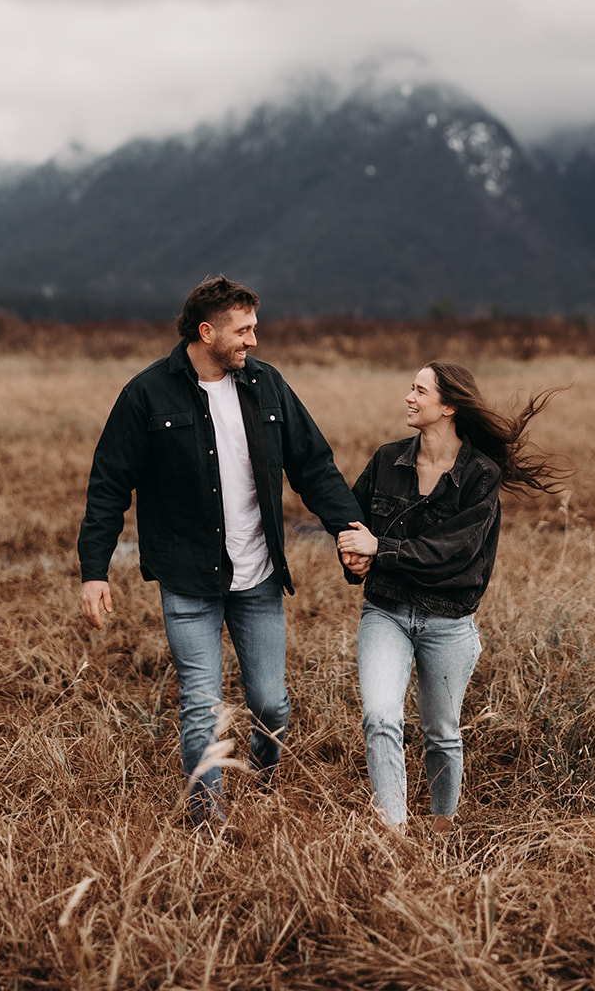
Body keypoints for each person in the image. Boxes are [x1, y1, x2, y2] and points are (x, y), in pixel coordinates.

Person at [78, 275, 359, 823]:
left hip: (257, 579)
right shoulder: (146, 394)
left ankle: (262, 771)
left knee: (270, 704)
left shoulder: (266, 386)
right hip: (189, 581)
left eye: (255, 328)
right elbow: (109, 484)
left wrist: (348, 527)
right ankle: (207, 820)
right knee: (202, 707)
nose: (254, 340)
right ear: (207, 332)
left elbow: (314, 465)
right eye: (244, 330)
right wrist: (95, 571)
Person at [337, 360, 564, 829]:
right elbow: (352, 521)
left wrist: (380, 549)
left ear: (448, 406)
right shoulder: (386, 460)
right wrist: (353, 556)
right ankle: (393, 833)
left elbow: (454, 552)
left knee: (440, 732)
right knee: (381, 718)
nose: (409, 397)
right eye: (411, 388)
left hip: (448, 622)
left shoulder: (480, 475)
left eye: (420, 391)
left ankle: (443, 829)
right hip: (387, 613)